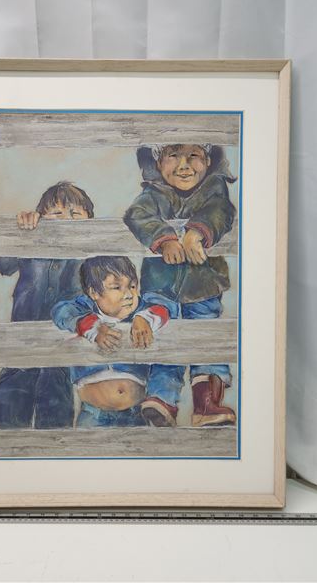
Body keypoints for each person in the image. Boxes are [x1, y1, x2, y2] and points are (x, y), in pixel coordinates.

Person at [124, 143, 237, 427]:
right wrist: (165, 239)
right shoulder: (153, 193)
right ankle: (162, 399)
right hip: (160, 286)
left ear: (208, 161)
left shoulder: (214, 189)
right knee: (162, 334)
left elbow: (221, 212)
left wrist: (195, 232)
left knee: (205, 339)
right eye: (173, 156)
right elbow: (137, 215)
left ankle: (206, 404)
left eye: (193, 156)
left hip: (204, 286)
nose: (183, 165)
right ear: (158, 163)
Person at [0, 182, 94, 429]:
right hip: (20, 346)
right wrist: (22, 230)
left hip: (64, 350)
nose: (65, 219)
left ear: (90, 220)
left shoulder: (89, 253)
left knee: (56, 413)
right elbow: (1, 264)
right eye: (56, 213)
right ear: (41, 217)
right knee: (8, 407)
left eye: (75, 214)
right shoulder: (33, 241)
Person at [51, 256, 177, 428]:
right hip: (93, 414)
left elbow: (169, 307)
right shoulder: (85, 307)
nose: (129, 295)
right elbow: (61, 311)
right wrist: (93, 327)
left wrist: (145, 318)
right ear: (94, 293)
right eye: (116, 287)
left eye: (132, 286)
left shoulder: (141, 309)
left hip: (136, 413)